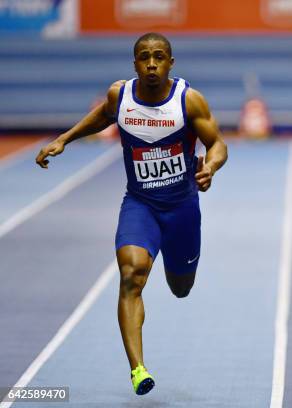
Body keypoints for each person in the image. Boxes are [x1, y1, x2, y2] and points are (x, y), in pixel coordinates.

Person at [35, 32, 228, 395]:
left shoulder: (189, 101)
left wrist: (211, 167)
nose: (151, 64)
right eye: (144, 57)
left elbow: (217, 143)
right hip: (140, 205)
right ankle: (138, 369)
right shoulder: (120, 96)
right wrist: (65, 138)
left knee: (180, 288)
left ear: (171, 62)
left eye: (159, 57)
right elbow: (101, 117)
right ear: (134, 63)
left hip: (182, 208)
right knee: (131, 274)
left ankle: (178, 271)